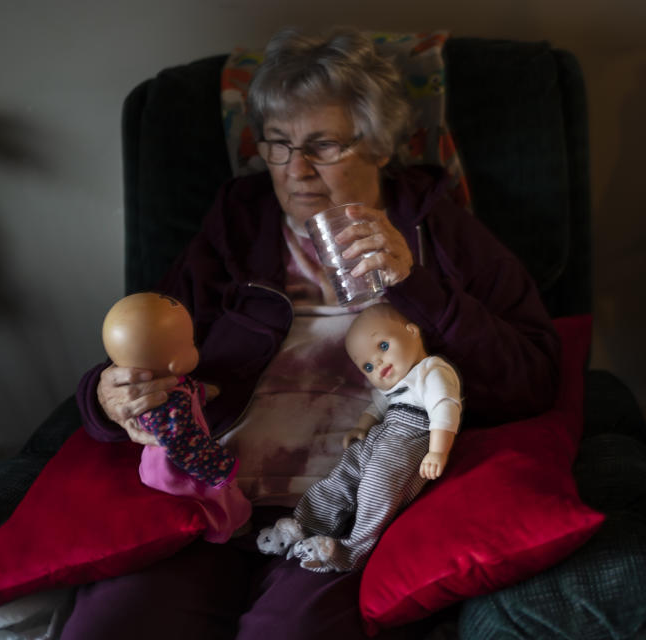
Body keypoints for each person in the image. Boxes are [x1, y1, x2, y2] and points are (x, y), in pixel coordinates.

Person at [65, 26, 559, 640]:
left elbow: (534, 377)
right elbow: (146, 347)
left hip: (345, 511)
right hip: (212, 496)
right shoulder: (237, 225)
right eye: (277, 143)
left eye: (323, 147)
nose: (295, 170)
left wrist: (416, 283)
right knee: (115, 626)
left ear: (379, 147)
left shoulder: (439, 231)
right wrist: (106, 397)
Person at [257, 303, 461, 571]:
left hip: (411, 438)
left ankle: (348, 551)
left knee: (376, 492)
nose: (377, 363)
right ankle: (304, 524)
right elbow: (376, 407)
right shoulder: (392, 388)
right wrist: (360, 427)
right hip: (381, 435)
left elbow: (444, 406)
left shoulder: (430, 370)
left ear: (412, 332)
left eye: (383, 346)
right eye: (367, 366)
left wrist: (438, 450)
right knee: (341, 477)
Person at [101, 292, 251, 543]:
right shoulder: (165, 405)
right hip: (177, 466)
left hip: (176, 457)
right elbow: (180, 441)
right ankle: (228, 527)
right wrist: (217, 466)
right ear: (173, 361)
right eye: (191, 343)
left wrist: (206, 392)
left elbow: (192, 389)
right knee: (215, 496)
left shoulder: (178, 385)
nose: (196, 347)